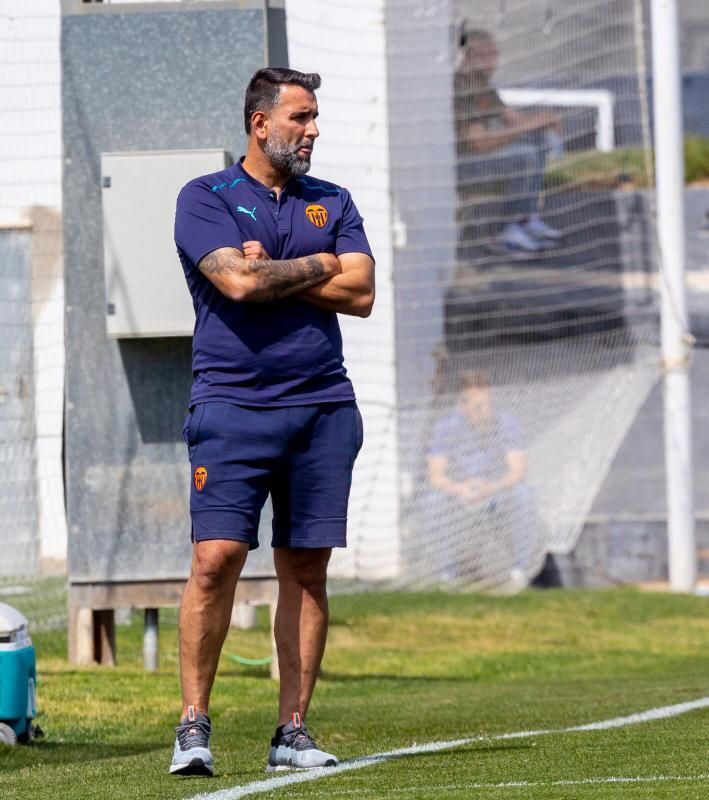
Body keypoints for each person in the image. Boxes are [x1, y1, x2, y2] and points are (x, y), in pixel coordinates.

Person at [171, 67, 374, 777]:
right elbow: (235, 282)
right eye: (301, 118)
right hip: (231, 409)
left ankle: (292, 731)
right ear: (260, 124)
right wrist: (319, 267)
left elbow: (362, 292)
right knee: (214, 560)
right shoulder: (206, 197)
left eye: (314, 118)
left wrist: (283, 267)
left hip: (323, 409)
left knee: (306, 569)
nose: (312, 130)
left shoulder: (333, 199)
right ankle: (193, 724)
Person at [454, 27, 563, 254]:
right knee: (523, 156)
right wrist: (530, 125)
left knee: (538, 141)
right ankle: (507, 230)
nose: (490, 62)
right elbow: (479, 144)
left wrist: (543, 120)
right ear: (466, 58)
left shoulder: (483, 86)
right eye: (483, 56)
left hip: (478, 157)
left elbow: (514, 120)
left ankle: (526, 219)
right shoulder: (463, 88)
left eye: (493, 55)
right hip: (461, 167)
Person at [426, 371, 532, 585]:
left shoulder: (506, 423)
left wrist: (492, 487)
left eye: (486, 403)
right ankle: (445, 575)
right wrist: (459, 488)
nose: (483, 410)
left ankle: (519, 571)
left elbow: (518, 471)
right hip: (457, 495)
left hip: (495, 494)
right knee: (432, 500)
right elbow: (435, 476)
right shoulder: (445, 428)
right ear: (462, 405)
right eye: (476, 405)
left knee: (524, 495)